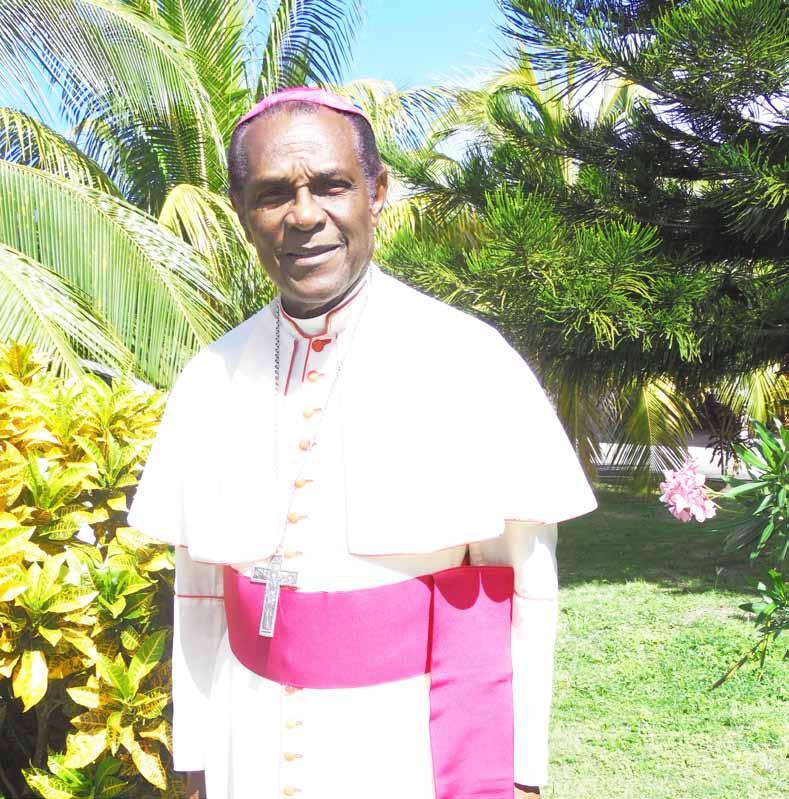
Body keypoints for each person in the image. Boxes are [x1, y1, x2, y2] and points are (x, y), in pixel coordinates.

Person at [127, 86, 597, 799]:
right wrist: (195, 760)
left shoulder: (469, 359)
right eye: (272, 194)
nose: (303, 215)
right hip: (247, 740)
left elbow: (525, 585)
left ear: (376, 192)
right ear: (242, 213)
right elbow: (198, 593)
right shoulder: (209, 377)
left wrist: (521, 774)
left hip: (403, 743)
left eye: (331, 185)